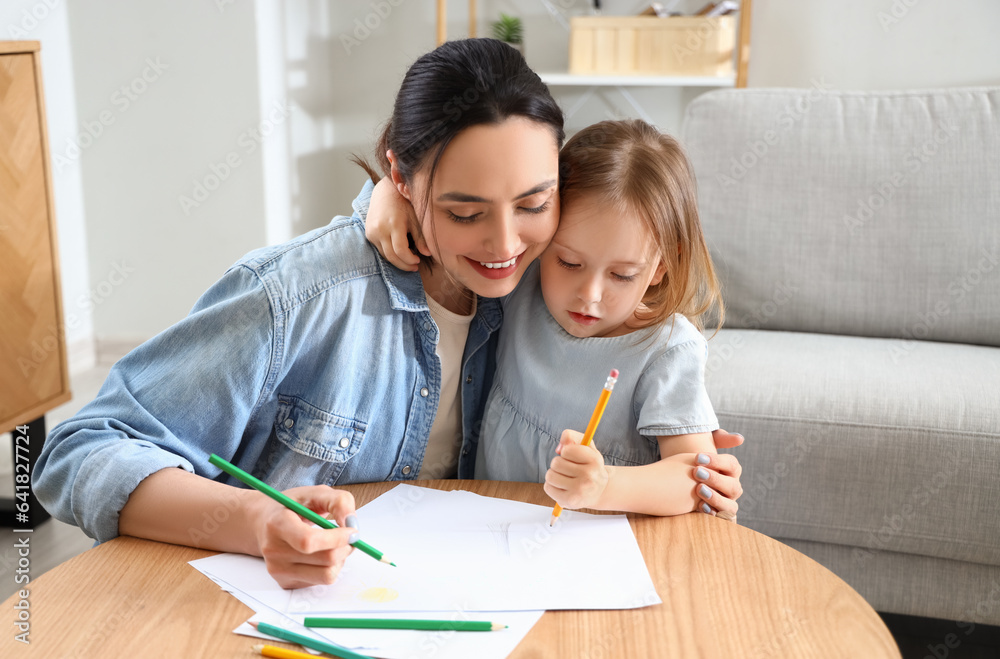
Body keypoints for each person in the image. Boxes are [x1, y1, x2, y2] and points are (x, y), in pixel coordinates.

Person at [33, 39, 740, 591]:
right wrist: (255, 521)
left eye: (533, 204)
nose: (503, 246)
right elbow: (80, 448)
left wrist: (687, 473)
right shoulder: (300, 296)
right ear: (400, 178)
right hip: (272, 605)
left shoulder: (537, 285)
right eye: (465, 211)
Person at [367, 118, 742, 518]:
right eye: (568, 261)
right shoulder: (526, 283)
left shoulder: (665, 351)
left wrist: (604, 486)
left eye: (622, 275)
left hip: (597, 550)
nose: (589, 294)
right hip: (494, 529)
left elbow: (698, 480)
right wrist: (390, 194)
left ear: (663, 266)